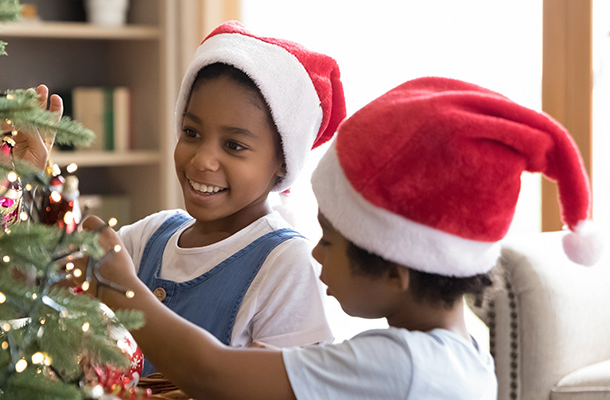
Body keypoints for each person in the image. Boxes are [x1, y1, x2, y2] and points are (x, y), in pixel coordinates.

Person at [80, 76, 602, 399]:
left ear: (396, 268)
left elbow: (211, 373)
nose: (314, 250)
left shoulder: (402, 368)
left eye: (330, 239)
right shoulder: (455, 352)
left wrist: (122, 289)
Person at [116, 21, 346, 375]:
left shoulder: (286, 264)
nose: (202, 160)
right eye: (191, 132)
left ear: (283, 159)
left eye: (234, 145)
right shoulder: (148, 237)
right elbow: (45, 277)